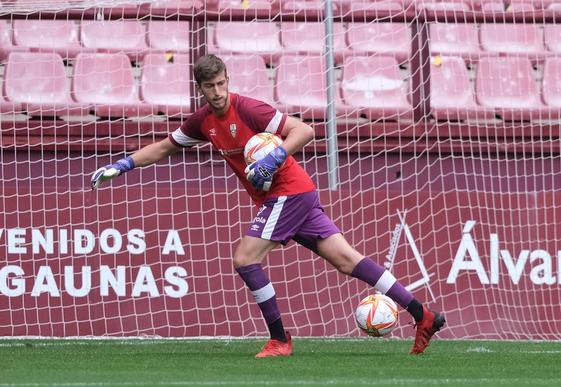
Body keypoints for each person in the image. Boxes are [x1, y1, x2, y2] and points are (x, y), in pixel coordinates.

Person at [91, 54, 445, 358]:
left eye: (221, 84)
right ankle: (422, 313)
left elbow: (303, 131)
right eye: (209, 87)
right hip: (295, 195)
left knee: (245, 258)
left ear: (227, 80)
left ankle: (279, 338)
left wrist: (272, 158)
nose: (216, 92)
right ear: (199, 88)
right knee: (347, 259)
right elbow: (166, 147)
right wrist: (121, 165)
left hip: (288, 192)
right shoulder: (203, 122)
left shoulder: (248, 108)